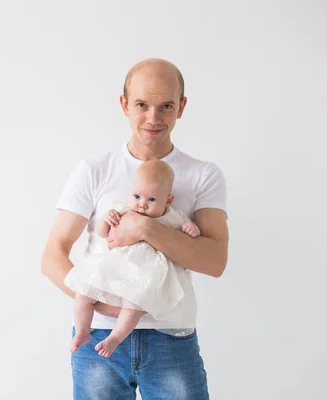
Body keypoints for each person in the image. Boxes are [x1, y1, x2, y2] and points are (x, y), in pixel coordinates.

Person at [41, 58, 229, 400]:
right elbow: (53, 255)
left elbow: (215, 261)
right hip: (97, 335)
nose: (153, 118)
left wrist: (144, 227)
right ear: (125, 104)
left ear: (181, 108)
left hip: (170, 338)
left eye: (166, 106)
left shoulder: (204, 175)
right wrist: (101, 304)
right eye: (142, 104)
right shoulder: (94, 170)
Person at [64, 159, 201, 358]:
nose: (142, 204)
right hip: (115, 267)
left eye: (151, 200)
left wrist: (192, 229)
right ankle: (83, 331)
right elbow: (104, 234)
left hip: (144, 273)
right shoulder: (123, 209)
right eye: (137, 196)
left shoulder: (173, 217)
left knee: (134, 306)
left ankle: (115, 337)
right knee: (84, 293)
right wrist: (106, 220)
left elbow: (188, 238)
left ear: (168, 200)